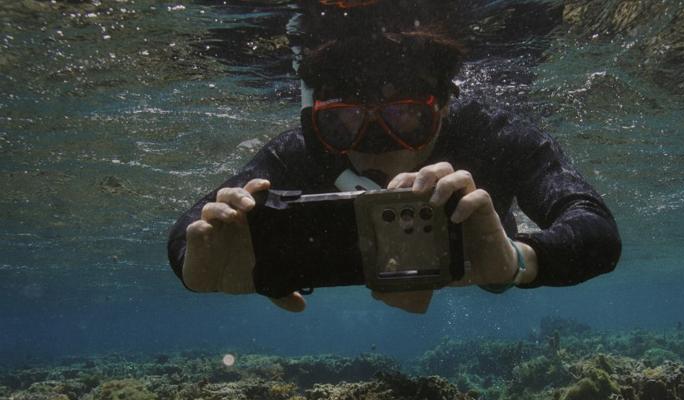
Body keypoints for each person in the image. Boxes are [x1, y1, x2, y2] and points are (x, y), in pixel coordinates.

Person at [167, 2, 621, 314]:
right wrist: (194, 261)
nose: (373, 143)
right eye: (343, 123)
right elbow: (191, 229)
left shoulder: (492, 135)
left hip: (492, 248)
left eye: (406, 118)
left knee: (492, 270)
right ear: (318, 119)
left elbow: (595, 229)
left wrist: (519, 260)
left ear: (441, 109)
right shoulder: (305, 151)